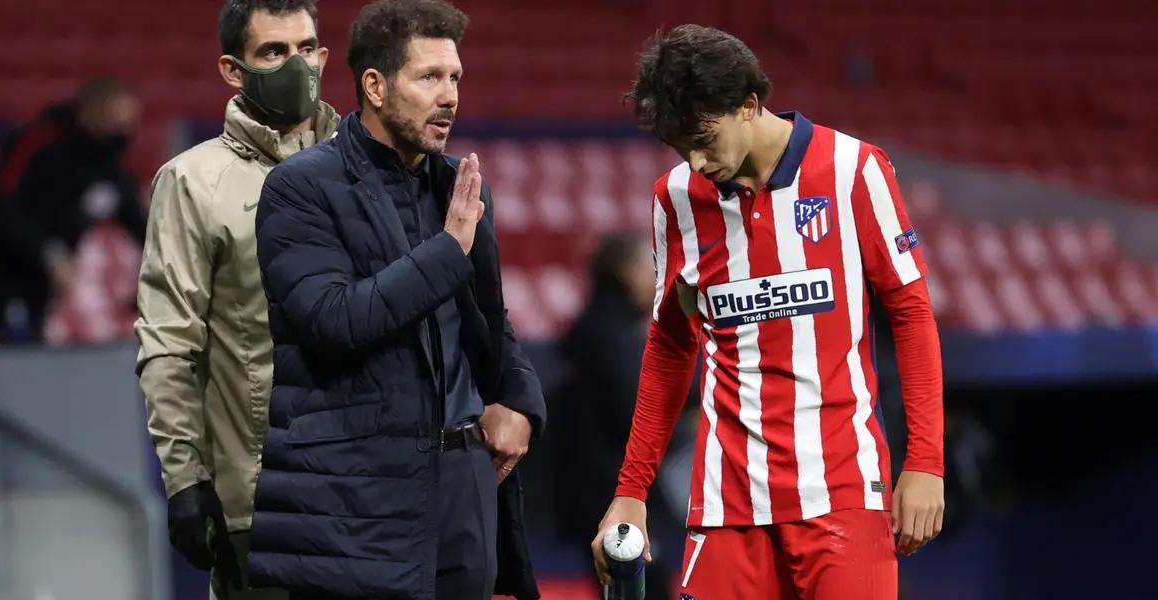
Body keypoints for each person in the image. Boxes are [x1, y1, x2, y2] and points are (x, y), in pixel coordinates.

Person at [591, 25, 946, 600]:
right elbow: (670, 347)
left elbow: (911, 313)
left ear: (749, 104)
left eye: (705, 139)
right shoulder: (675, 198)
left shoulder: (854, 169)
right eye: (683, 148)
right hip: (727, 502)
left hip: (843, 492)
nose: (698, 162)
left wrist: (925, 461)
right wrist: (631, 488)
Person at [244, 1, 545, 599]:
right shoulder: (300, 187)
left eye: (455, 77)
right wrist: (448, 248)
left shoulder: (455, 186)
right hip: (354, 493)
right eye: (429, 77)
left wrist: (518, 399)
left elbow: (490, 322)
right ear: (376, 86)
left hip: (461, 484)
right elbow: (333, 320)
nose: (451, 96)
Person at [133, 1, 339, 598]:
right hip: (262, 500)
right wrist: (185, 481)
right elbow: (169, 343)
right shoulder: (192, 182)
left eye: (305, 49)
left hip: (368, 497)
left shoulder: (365, 168)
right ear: (233, 70)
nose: (295, 66)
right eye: (273, 53)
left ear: (324, 57)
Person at [0, 76, 144, 347]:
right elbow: (1, 205)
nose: (121, 131)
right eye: (112, 120)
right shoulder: (39, 141)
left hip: (36, 287)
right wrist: (50, 254)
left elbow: (141, 226)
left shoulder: (111, 169)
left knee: (27, 353)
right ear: (89, 112)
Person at [556, 231, 686, 600]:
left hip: (600, 496)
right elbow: (635, 415)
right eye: (649, 268)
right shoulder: (609, 337)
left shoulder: (596, 330)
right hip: (614, 499)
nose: (656, 279)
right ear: (626, 272)